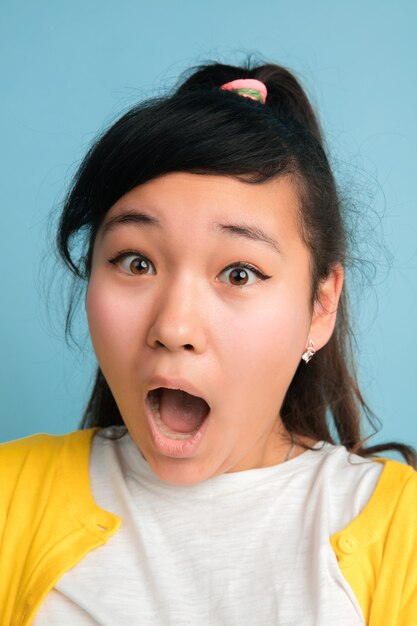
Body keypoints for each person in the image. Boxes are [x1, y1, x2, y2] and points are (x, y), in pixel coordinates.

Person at [1, 59, 416, 626]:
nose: (173, 327)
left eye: (239, 273)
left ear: (320, 306)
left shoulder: (402, 529)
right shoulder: (9, 498)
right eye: (136, 261)